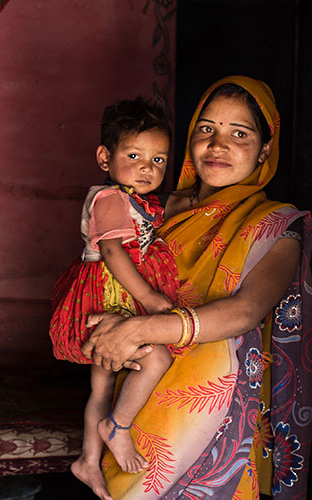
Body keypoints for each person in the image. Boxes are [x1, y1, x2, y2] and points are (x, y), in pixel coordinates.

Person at [81, 76, 312, 499]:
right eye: (206, 129)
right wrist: (111, 322)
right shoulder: (152, 210)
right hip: (138, 398)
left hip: (216, 418)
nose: (218, 144)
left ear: (265, 148)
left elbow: (243, 312)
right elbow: (111, 274)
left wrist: (139, 330)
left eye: (239, 134)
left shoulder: (277, 226)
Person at [49, 97, 180, 498]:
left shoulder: (139, 200)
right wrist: (151, 298)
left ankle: (88, 461)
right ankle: (116, 427)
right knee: (156, 357)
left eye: (158, 160)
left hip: (118, 300)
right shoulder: (110, 199)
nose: (147, 167)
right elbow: (112, 251)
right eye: (135, 155)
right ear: (105, 157)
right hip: (108, 298)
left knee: (102, 388)